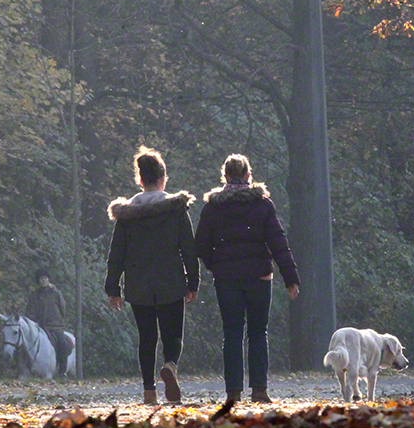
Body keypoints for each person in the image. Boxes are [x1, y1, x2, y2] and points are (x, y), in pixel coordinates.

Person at [194, 154, 300, 405]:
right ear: (248, 176)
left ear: (225, 176)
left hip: (227, 279)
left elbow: (200, 244)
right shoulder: (263, 204)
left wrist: (215, 266)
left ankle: (233, 392)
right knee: (258, 332)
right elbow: (278, 243)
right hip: (259, 277)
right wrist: (290, 277)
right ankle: (260, 390)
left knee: (231, 333)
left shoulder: (213, 207)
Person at [105, 146, 200, 405]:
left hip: (138, 284)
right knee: (173, 335)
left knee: (146, 338)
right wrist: (193, 281)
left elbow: (117, 254)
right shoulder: (176, 209)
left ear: (140, 179)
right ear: (163, 178)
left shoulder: (127, 215)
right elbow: (188, 248)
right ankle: (170, 365)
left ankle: (149, 392)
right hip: (171, 280)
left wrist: (113, 288)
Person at [26, 268, 71, 377]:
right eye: (41, 278)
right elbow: (29, 311)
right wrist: (35, 319)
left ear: (49, 279)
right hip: (39, 326)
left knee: (63, 344)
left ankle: (63, 371)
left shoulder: (56, 294)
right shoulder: (34, 295)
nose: (43, 280)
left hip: (55, 326)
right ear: (38, 280)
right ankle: (25, 369)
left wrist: (58, 319)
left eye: (45, 278)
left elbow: (62, 308)